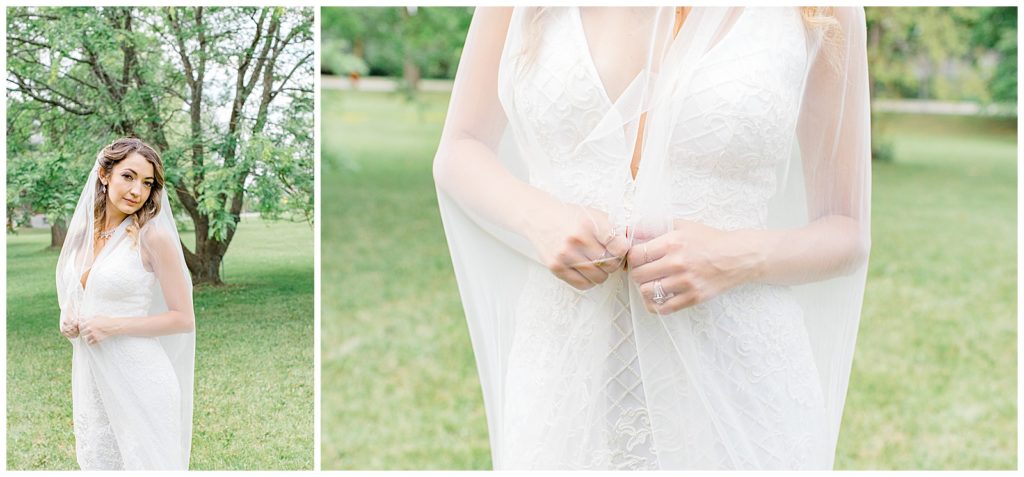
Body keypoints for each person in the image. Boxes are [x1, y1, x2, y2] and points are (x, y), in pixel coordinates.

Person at [433, 7, 871, 470]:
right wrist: (538, 218)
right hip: (563, 377)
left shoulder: (822, 11)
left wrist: (735, 256)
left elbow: (846, 229)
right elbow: (461, 146)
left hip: (737, 380)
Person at [56, 137, 195, 470]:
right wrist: (69, 315)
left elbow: (183, 319)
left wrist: (114, 325)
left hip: (141, 378)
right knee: (100, 461)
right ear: (105, 175)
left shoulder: (152, 237)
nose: (137, 191)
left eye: (147, 183)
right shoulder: (80, 236)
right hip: (94, 377)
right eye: (128, 177)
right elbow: (81, 291)